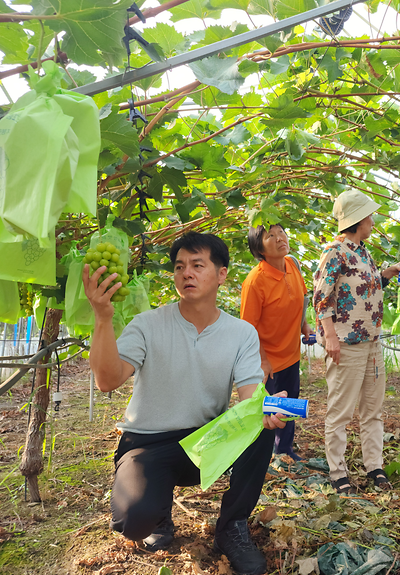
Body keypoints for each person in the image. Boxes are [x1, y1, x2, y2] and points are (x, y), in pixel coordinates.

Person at [82, 231, 286, 575]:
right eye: (179, 267)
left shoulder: (241, 334)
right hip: (147, 445)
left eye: (197, 265)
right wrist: (103, 317)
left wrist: (266, 409)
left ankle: (231, 526)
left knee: (260, 424)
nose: (186, 273)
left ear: (221, 274)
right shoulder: (147, 324)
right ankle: (158, 514)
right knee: (133, 524)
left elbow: (250, 398)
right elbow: (107, 380)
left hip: (205, 441)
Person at [313, 189, 400, 493]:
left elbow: (359, 291)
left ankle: (373, 466)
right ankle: (338, 472)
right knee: (341, 412)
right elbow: (321, 298)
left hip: (371, 342)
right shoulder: (335, 252)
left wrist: (384, 276)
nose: (373, 221)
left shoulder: (362, 251)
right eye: (370, 215)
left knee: (372, 410)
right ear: (359, 219)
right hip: (346, 344)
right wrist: (331, 337)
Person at [240, 224, 313, 461]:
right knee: (268, 408)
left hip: (290, 353)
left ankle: (284, 451)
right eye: (270, 236)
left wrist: (304, 327)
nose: (279, 238)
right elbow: (248, 328)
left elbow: (300, 299)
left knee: (289, 404)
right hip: (268, 359)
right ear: (259, 249)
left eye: (281, 231)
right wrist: (262, 360)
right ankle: (259, 457)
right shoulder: (255, 281)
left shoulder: (292, 264)